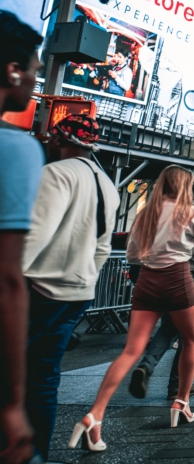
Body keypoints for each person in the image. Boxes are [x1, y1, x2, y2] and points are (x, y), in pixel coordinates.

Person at [70, 166, 194, 451]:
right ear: (185, 187)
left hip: (147, 280)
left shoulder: (145, 213)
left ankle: (94, 415)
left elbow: (133, 255)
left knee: (131, 350)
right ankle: (181, 401)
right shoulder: (191, 212)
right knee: (192, 339)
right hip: (178, 278)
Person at [22, 115, 117, 460]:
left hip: (38, 291)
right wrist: (85, 276)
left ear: (60, 139)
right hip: (78, 293)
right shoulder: (106, 184)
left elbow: (34, 235)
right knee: (45, 379)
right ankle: (37, 454)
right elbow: (103, 247)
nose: (47, 143)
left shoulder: (56, 174)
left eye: (51, 138)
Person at [130, 175, 194, 401]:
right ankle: (178, 386)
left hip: (168, 275)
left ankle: (146, 366)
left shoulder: (168, 211)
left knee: (168, 328)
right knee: (190, 334)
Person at [0, 11, 45, 464]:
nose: (35, 81)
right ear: (12, 70)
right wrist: (12, 403)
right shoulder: (14, 148)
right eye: (35, 69)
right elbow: (7, 280)